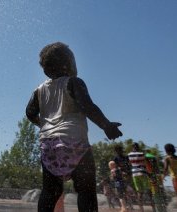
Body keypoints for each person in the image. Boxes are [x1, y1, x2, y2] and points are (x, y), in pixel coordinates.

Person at [25, 41, 123, 212]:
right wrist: (106, 126)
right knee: (86, 191)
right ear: (67, 64)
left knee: (50, 192)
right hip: (75, 144)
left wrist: (44, 125)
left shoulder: (39, 90)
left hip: (49, 146)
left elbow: (29, 113)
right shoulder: (74, 82)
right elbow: (88, 106)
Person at [127, 143, 155, 212]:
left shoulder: (129, 155)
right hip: (143, 173)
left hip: (134, 174)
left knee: (139, 192)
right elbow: (151, 159)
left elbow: (129, 164)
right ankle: (154, 209)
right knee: (149, 191)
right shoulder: (142, 154)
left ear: (132, 148)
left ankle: (141, 209)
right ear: (138, 147)